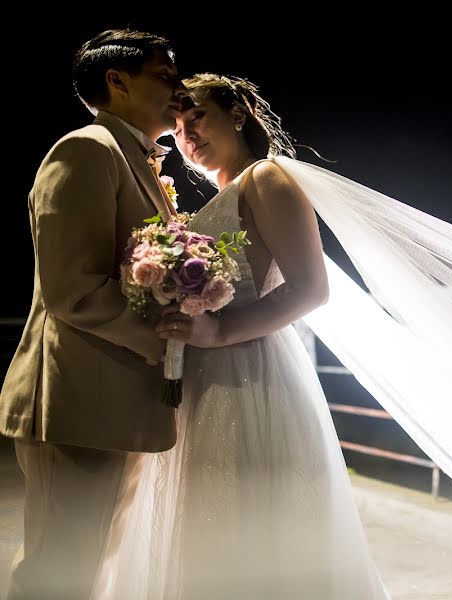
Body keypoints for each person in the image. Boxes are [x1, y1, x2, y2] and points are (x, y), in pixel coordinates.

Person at [100, 73, 388, 599]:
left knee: (245, 516)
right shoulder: (217, 197)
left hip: (249, 372)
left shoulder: (267, 179)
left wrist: (218, 331)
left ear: (237, 114)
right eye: (178, 127)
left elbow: (309, 289)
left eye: (198, 117)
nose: (187, 135)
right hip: (198, 377)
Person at [0, 29, 186, 598]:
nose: (179, 88)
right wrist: (168, 343)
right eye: (165, 74)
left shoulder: (135, 159)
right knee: (61, 568)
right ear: (117, 81)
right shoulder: (86, 149)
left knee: (92, 563)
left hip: (113, 401)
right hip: (78, 399)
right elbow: (73, 288)